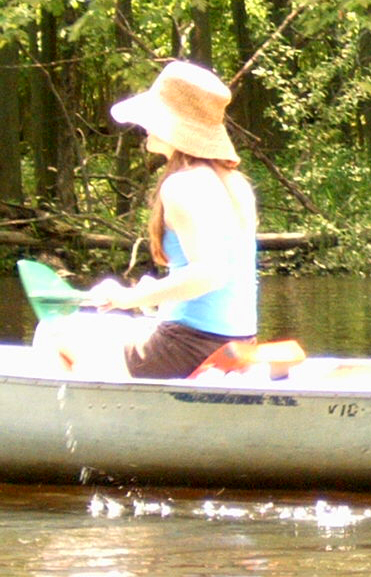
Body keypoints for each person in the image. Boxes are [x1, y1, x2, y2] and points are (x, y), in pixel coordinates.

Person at [35, 60, 258, 379]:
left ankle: (83, 427)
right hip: (239, 342)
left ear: (175, 126)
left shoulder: (183, 185)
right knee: (109, 328)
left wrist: (131, 297)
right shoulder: (235, 183)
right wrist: (152, 293)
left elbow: (210, 274)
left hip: (188, 347)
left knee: (52, 331)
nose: (146, 126)